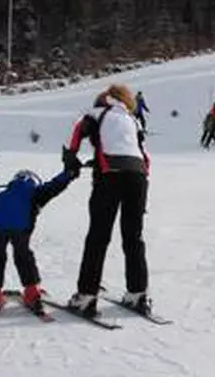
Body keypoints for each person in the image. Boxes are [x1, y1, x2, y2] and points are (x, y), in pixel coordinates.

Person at [63, 84, 152, 317]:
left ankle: (86, 295)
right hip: (139, 176)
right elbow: (143, 153)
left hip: (109, 175)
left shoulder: (97, 112)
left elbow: (77, 132)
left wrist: (71, 158)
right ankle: (138, 293)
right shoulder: (132, 119)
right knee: (133, 237)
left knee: (98, 237)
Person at [0, 168, 76, 315]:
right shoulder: (35, 192)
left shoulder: (4, 194)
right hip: (21, 227)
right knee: (23, 256)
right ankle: (32, 295)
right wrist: (69, 174)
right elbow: (54, 186)